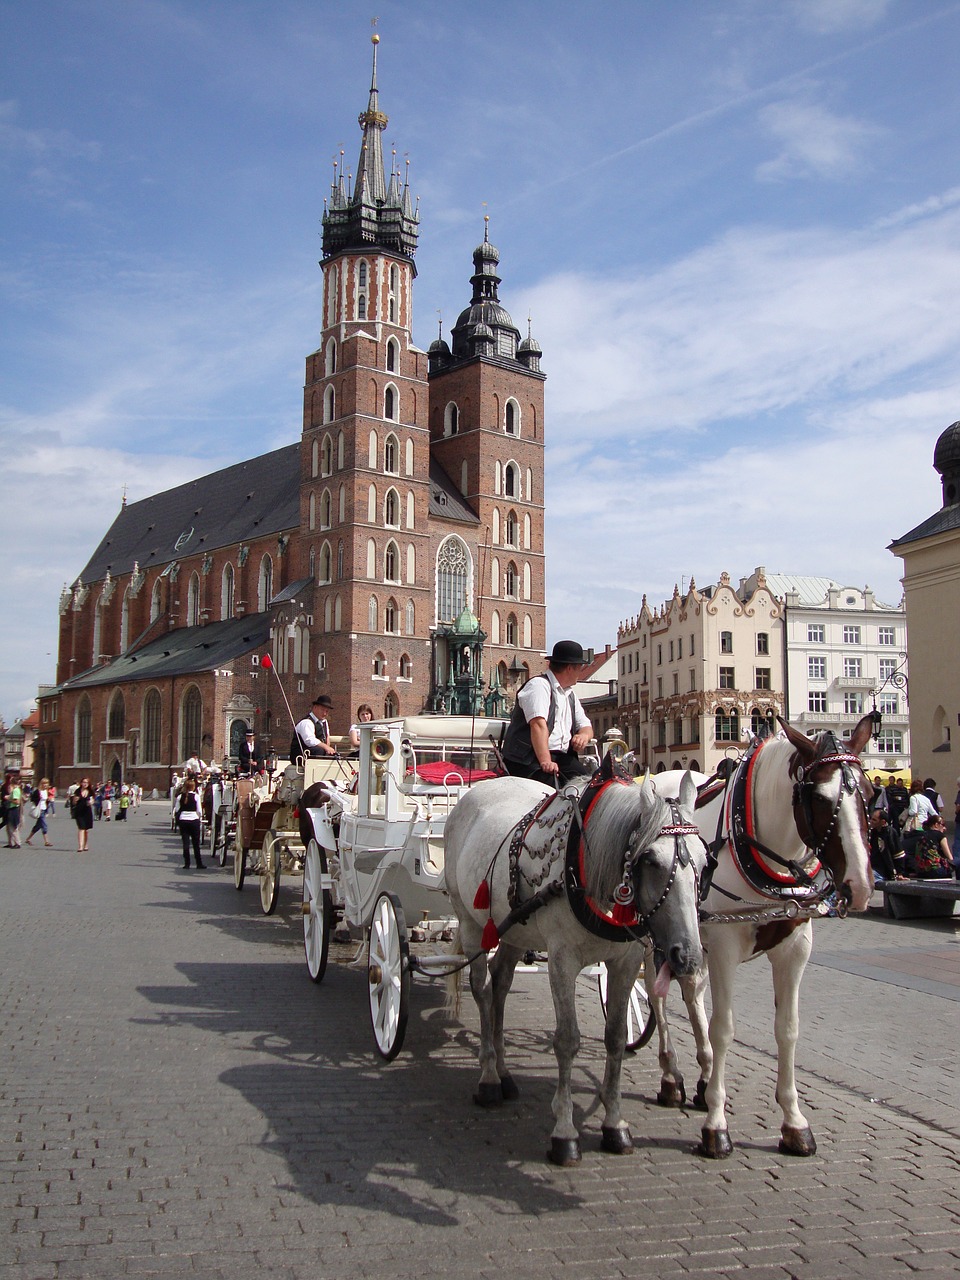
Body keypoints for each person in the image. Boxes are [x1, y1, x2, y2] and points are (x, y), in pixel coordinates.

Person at [503, 640, 593, 787]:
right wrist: (545, 761)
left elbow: (586, 725)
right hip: (528, 759)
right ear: (570, 668)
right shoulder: (538, 686)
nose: (580, 672)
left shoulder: (569, 694)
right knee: (555, 790)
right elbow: (538, 725)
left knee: (590, 785)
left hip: (561, 757)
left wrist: (583, 735)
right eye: (579, 668)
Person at [908, 814, 953, 879]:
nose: (944, 828)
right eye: (943, 825)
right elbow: (950, 857)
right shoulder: (940, 835)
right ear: (936, 825)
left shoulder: (921, 835)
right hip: (936, 871)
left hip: (921, 872)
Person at [292, 695, 337, 759]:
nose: (324, 713)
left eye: (326, 711)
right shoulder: (306, 722)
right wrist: (326, 747)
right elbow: (310, 740)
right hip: (301, 755)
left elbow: (327, 737)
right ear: (315, 707)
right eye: (322, 710)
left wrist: (328, 749)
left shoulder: (324, 722)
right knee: (319, 751)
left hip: (319, 752)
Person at [174, 778, 206, 869]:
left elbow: (177, 809)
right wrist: (199, 817)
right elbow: (199, 810)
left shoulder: (180, 797)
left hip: (183, 820)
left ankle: (187, 863)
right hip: (194, 820)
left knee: (186, 843)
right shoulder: (196, 796)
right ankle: (199, 863)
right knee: (196, 844)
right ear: (193, 787)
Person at [25, 778, 52, 848]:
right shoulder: (37, 791)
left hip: (44, 809)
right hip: (39, 810)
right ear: (41, 784)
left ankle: (28, 839)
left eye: (46, 783)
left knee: (38, 826)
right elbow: (32, 799)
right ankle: (46, 841)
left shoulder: (46, 791)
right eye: (44, 783)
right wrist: (38, 799)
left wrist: (48, 801)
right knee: (44, 825)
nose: (45, 785)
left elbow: (46, 801)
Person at [73, 777, 94, 852]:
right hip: (79, 812)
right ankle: (80, 846)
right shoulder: (77, 791)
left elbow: (92, 801)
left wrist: (91, 802)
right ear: (81, 783)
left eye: (86, 782)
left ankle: (85, 844)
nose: (85, 784)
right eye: (84, 782)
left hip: (87, 812)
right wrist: (75, 800)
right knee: (81, 829)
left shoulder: (90, 792)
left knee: (86, 830)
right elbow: (74, 802)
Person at [3, 774, 22, 847]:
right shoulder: (15, 790)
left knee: (13, 828)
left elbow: (17, 801)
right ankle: (12, 843)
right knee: (10, 827)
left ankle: (17, 843)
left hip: (14, 810)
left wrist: (9, 798)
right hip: (11, 809)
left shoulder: (16, 790)